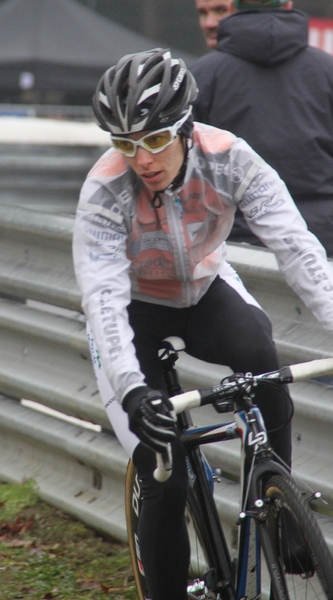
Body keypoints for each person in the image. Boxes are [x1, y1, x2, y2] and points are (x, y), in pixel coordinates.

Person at [72, 48, 333, 600]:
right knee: (162, 467)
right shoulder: (103, 190)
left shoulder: (232, 159)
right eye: (125, 143)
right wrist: (133, 390)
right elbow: (102, 297)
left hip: (205, 287)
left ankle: (277, 503)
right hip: (133, 309)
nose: (142, 159)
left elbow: (299, 251)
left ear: (187, 128)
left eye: (156, 139)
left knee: (261, 355)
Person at [190, 0, 333, 257]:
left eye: (218, 10)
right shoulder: (327, 71)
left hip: (235, 250)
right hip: (323, 245)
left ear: (235, 6)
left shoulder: (200, 77)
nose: (209, 22)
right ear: (288, 4)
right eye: (203, 13)